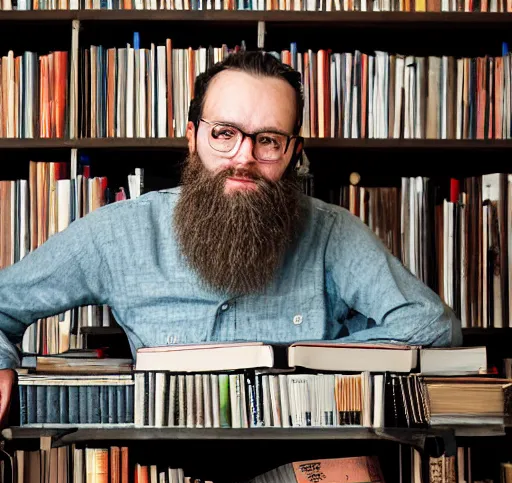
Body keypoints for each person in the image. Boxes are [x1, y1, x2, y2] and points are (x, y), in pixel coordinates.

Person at [0, 50, 462, 426]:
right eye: (224, 134)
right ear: (192, 137)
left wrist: (304, 363)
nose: (243, 158)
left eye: (268, 141)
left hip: (311, 469)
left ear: (293, 153)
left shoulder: (332, 232)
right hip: (164, 480)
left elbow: (433, 327)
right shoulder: (118, 233)